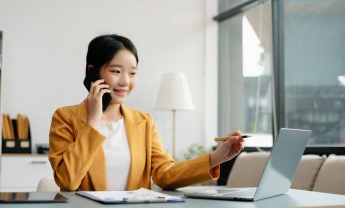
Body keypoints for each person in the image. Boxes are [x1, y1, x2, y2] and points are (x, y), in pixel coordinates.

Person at [49, 34, 245, 191]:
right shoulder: (66, 118)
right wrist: (93, 121)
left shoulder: (143, 122)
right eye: (116, 71)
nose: (126, 81)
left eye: (132, 73)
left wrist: (215, 158)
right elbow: (67, 181)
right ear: (93, 73)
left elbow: (164, 174)